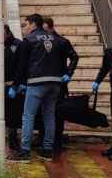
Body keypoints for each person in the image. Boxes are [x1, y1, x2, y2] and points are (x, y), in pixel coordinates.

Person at [9, 14, 73, 162]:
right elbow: (66, 58)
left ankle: (25, 151)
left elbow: (22, 66)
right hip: (55, 83)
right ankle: (47, 150)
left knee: (28, 116)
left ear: (33, 24)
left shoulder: (29, 41)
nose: (24, 28)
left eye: (26, 25)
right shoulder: (57, 40)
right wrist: (67, 74)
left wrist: (15, 85)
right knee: (49, 115)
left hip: (37, 83)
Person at [42, 17, 80, 151]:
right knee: (43, 111)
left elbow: (75, 57)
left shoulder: (62, 42)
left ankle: (57, 141)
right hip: (44, 81)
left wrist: (68, 74)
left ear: (51, 28)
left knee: (58, 112)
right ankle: (44, 139)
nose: (44, 32)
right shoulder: (43, 42)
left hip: (59, 82)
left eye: (45, 29)